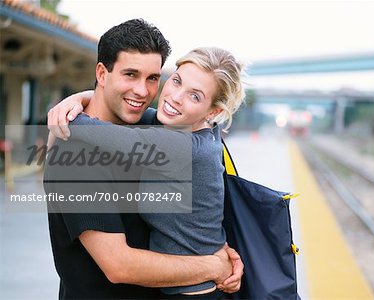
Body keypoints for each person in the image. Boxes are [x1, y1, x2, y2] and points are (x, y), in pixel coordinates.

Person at [44, 19, 242, 300]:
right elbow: (118, 266)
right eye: (130, 74)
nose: (142, 91)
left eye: (152, 78)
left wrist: (217, 250)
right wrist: (211, 265)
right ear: (102, 73)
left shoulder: (155, 127)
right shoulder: (76, 156)